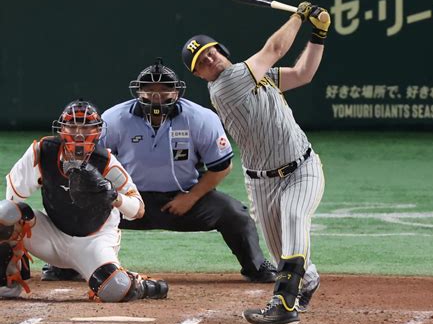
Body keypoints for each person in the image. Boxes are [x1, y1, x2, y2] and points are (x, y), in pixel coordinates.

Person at [43, 59, 276, 283]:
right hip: (127, 199)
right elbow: (92, 159)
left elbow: (222, 166)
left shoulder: (201, 118)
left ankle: (256, 267)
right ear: (138, 91)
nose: (156, 95)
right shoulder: (115, 118)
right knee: (75, 205)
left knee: (235, 214)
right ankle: (64, 266)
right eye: (149, 89)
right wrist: (104, 193)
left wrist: (191, 197)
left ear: (176, 92)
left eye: (164, 89)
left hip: (183, 198)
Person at [181, 1, 330, 324]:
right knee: (280, 254)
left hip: (302, 168)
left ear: (221, 50)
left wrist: (318, 35)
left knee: (294, 216)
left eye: (210, 52)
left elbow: (303, 74)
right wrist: (299, 16)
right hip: (261, 182)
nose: (209, 59)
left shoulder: (254, 77)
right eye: (201, 61)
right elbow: (275, 47)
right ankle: (308, 280)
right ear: (199, 74)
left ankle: (284, 304)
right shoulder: (227, 84)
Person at [1, 99, 168, 302]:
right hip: (52, 235)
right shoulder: (42, 151)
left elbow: (138, 210)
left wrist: (113, 196)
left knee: (115, 289)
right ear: (61, 129)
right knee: (4, 214)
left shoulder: (106, 162)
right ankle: (9, 282)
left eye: (86, 127)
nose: (78, 133)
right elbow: (12, 198)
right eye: (72, 125)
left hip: (94, 241)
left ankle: (138, 283)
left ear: (97, 131)